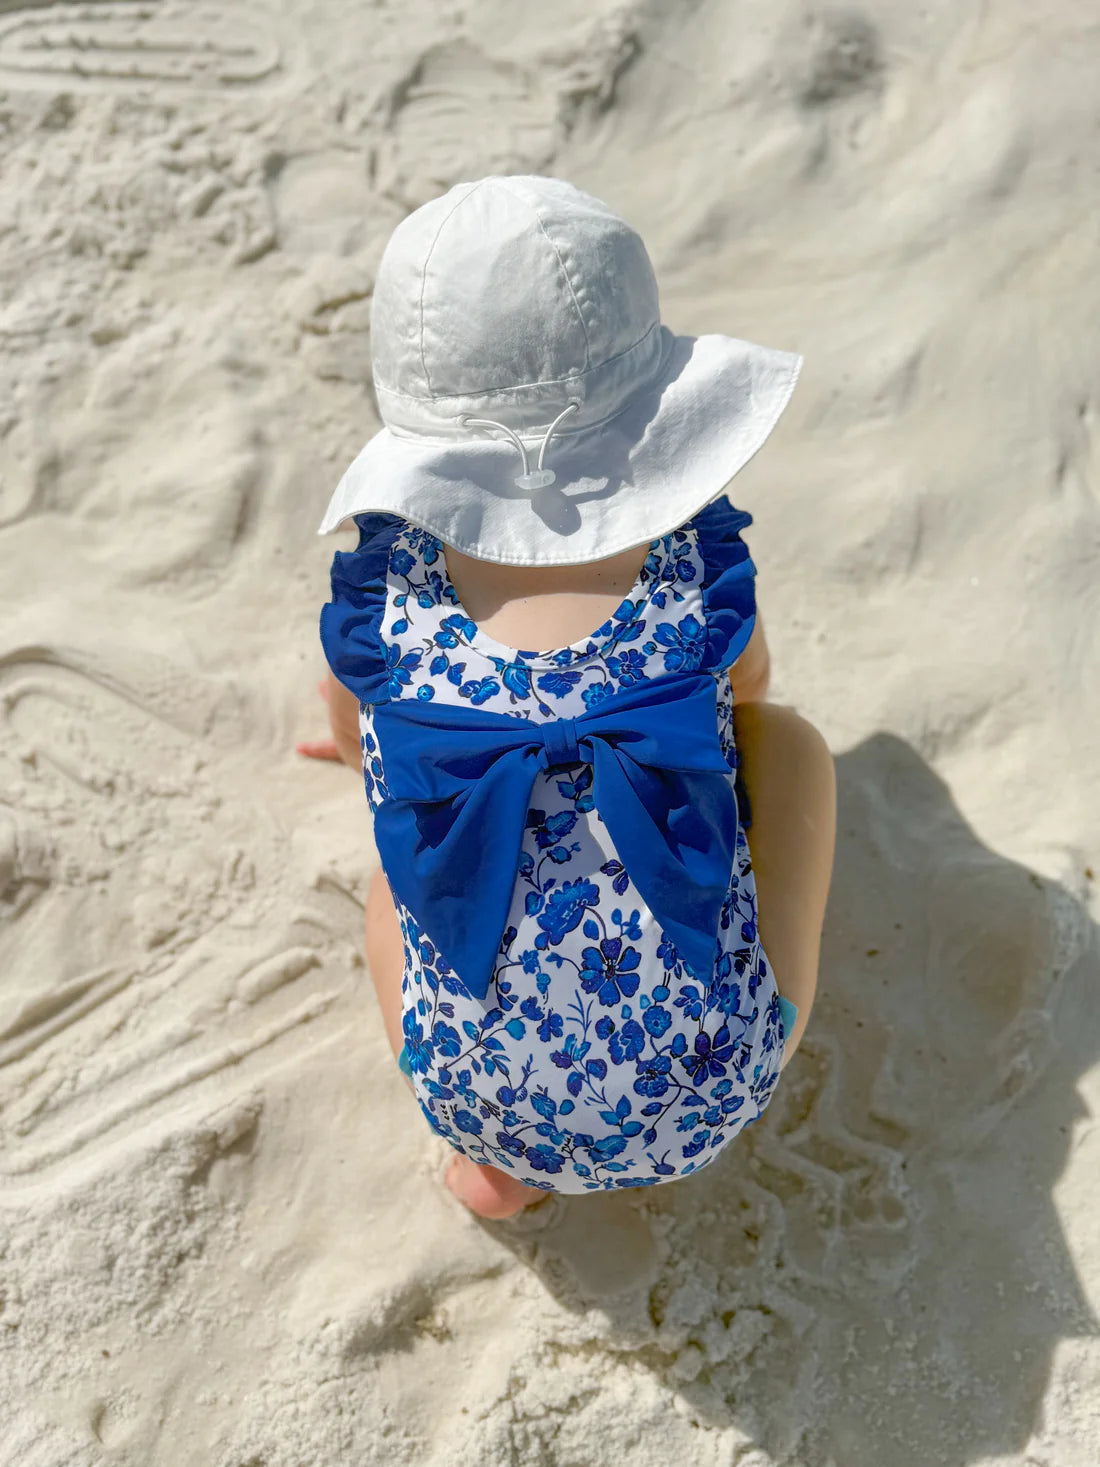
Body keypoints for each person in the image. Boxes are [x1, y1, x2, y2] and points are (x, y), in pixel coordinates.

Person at [299, 175, 836, 1221]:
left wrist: (364, 748)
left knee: (384, 891)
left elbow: (349, 704)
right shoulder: (686, 564)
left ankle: (493, 1174)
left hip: (481, 1102)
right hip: (715, 1084)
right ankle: (745, 1009)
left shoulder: (391, 597)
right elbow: (749, 687)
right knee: (792, 743)